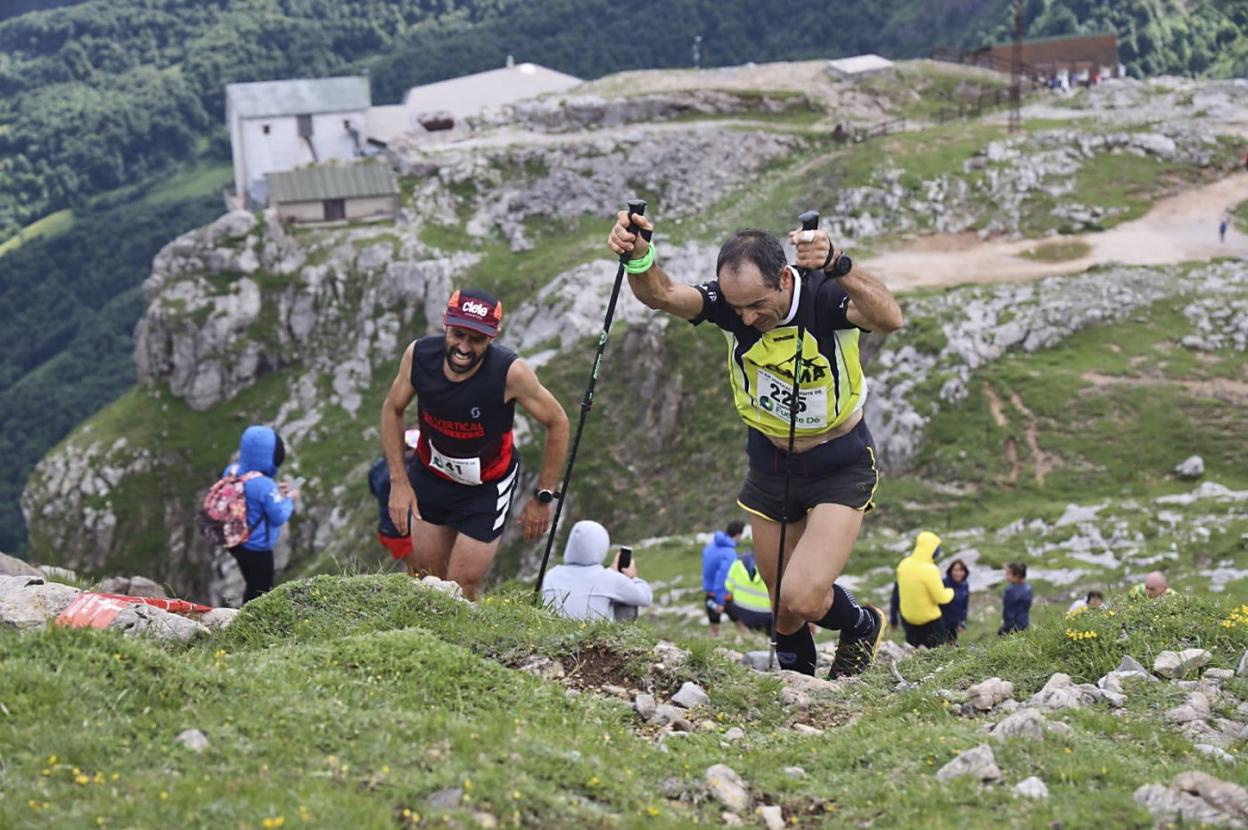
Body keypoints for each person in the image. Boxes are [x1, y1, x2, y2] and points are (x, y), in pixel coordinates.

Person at [608, 207, 903, 677]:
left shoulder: (825, 296)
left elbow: (890, 317)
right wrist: (640, 258)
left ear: (784, 278)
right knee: (781, 609)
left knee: (802, 595)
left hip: (838, 462)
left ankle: (862, 624)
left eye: (756, 305)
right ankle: (796, 695)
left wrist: (839, 263)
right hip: (770, 461)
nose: (746, 317)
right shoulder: (732, 305)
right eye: (736, 306)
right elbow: (662, 295)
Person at [380, 288, 570, 599]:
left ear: (493, 337)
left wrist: (544, 495)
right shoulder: (419, 356)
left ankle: (460, 645)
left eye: (477, 340)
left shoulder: (510, 373)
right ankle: (420, 643)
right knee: (425, 580)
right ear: (445, 325)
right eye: (458, 334)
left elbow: (558, 421)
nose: (464, 347)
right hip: (432, 475)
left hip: (486, 487)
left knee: (461, 584)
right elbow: (392, 408)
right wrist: (399, 482)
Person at [223, 425, 298, 604]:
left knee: (250, 578)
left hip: (235, 541)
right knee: (261, 588)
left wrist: (275, 494)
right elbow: (278, 515)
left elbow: (252, 499)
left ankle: (245, 613)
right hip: (256, 547)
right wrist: (289, 498)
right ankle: (249, 620)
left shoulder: (232, 471)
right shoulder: (264, 484)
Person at [540, 520, 653, 621]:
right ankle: (621, 637)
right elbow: (646, 598)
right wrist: (632, 578)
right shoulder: (609, 578)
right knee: (627, 604)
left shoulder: (552, 574)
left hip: (554, 636)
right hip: (592, 637)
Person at [368, 429, 422, 567]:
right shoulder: (407, 472)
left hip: (386, 528)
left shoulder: (379, 465)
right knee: (418, 569)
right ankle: (413, 586)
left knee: (415, 567)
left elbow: (374, 491)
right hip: (400, 532)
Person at [890, 531, 953, 648]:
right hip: (930, 622)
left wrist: (893, 616)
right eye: (937, 548)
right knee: (937, 655)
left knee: (913, 653)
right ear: (932, 549)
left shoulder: (903, 564)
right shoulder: (930, 570)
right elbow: (941, 598)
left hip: (908, 621)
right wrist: (950, 592)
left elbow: (896, 592)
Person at [701, 520, 745, 637]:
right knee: (741, 624)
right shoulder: (729, 553)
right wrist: (720, 601)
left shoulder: (710, 546)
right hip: (723, 596)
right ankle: (745, 647)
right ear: (738, 535)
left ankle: (710, 653)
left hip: (709, 593)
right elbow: (722, 577)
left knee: (713, 629)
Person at [723, 549, 773, 635]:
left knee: (727, 601)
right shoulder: (772, 565)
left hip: (741, 613)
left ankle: (741, 629)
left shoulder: (738, 561)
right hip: (767, 617)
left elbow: (728, 586)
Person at [941, 558, 971, 643]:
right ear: (950, 571)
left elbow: (965, 606)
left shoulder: (965, 585)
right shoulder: (944, 583)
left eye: (961, 570)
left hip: (954, 624)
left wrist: (962, 622)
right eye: (955, 570)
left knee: (952, 647)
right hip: (942, 624)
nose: (958, 573)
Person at [998, 562, 1032, 635]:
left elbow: (1009, 613)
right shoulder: (1028, 588)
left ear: (1017, 575)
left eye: (1007, 574)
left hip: (1014, 628)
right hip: (1025, 624)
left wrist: (1004, 629)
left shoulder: (1010, 591)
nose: (1005, 576)